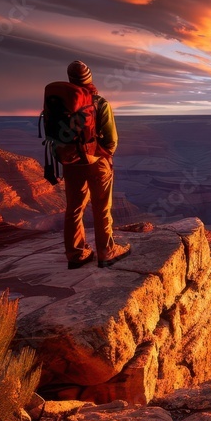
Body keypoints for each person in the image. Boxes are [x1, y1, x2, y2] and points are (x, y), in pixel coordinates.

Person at [63, 60, 131, 269]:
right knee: (101, 208)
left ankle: (76, 255)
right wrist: (101, 156)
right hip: (96, 163)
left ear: (70, 80)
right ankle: (106, 253)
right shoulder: (99, 102)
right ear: (89, 79)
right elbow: (111, 140)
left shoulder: (59, 103)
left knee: (74, 208)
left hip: (70, 162)